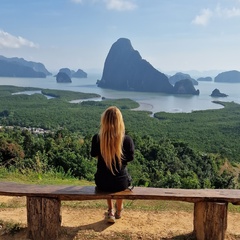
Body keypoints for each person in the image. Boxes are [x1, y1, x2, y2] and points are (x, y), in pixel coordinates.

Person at [90, 106, 135, 223]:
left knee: (107, 176)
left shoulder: (97, 138)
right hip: (121, 183)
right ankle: (119, 210)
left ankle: (110, 210)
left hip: (102, 182)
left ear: (104, 120)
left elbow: (93, 154)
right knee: (120, 178)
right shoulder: (126, 140)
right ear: (120, 121)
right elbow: (130, 158)